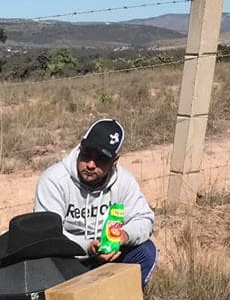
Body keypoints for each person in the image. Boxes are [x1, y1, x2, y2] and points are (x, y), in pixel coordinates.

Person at [34, 119, 157, 286]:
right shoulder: (54, 180)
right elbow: (47, 234)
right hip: (67, 259)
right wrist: (88, 246)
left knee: (146, 251)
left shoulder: (124, 181)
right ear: (79, 148)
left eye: (101, 159)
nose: (91, 164)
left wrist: (122, 237)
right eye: (87, 154)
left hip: (108, 258)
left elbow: (144, 219)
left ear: (114, 161)